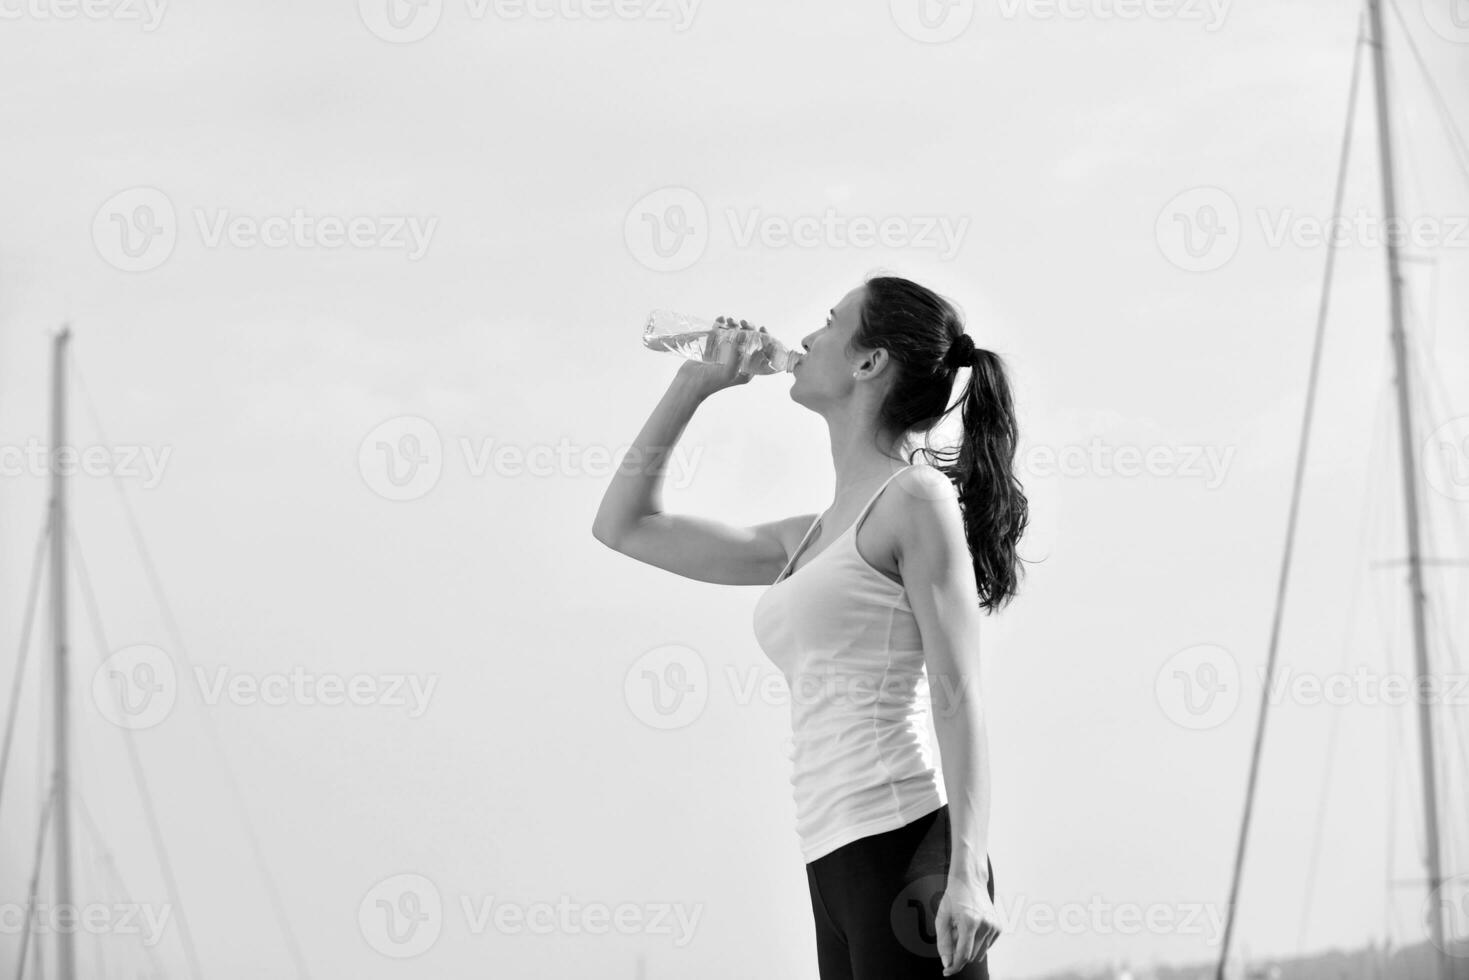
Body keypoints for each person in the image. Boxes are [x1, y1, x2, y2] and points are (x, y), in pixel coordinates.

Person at [592, 274, 1029, 979]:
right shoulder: (810, 537)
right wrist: (691, 386)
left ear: (868, 362)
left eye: (828, 322)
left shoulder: (913, 498)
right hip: (833, 854)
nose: (803, 339)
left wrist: (968, 871)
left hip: (902, 839)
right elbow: (625, 527)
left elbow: (957, 692)